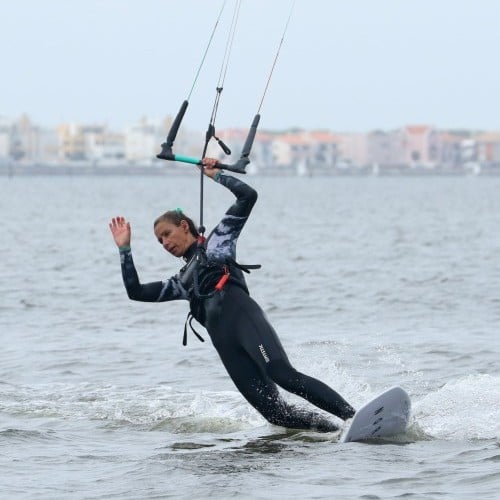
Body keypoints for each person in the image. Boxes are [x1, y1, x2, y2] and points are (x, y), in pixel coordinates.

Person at [109, 158, 355, 432]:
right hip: (225, 345)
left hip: (244, 320)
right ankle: (334, 432)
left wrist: (217, 175)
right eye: (159, 241)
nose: (165, 243)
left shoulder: (217, 243)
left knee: (282, 374)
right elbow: (137, 292)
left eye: (167, 234)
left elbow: (248, 196)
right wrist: (124, 249)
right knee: (275, 413)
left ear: (184, 226)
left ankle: (352, 416)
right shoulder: (181, 282)